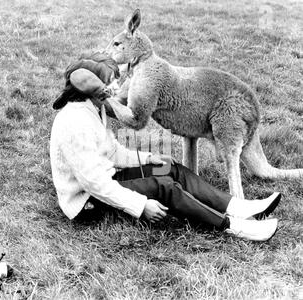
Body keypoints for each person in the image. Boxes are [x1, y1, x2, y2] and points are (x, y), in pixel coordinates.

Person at [50, 52, 281, 241]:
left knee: (172, 169)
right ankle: (234, 226)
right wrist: (140, 206)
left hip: (106, 179)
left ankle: (239, 206)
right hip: (88, 202)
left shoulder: (94, 107)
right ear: (91, 87)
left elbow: (112, 152)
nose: (114, 86)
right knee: (164, 186)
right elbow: (94, 183)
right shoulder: (75, 122)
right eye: (110, 81)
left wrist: (149, 159)